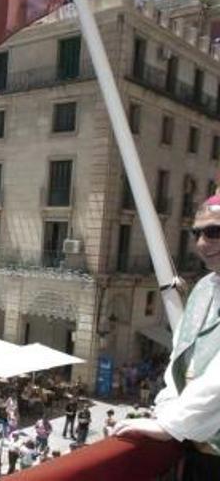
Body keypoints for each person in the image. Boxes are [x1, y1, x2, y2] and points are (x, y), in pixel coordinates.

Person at [113, 196, 220, 480]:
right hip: (197, 455)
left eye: (214, 232)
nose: (200, 243)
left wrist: (171, 424)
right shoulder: (204, 288)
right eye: (197, 233)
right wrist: (166, 409)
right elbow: (180, 353)